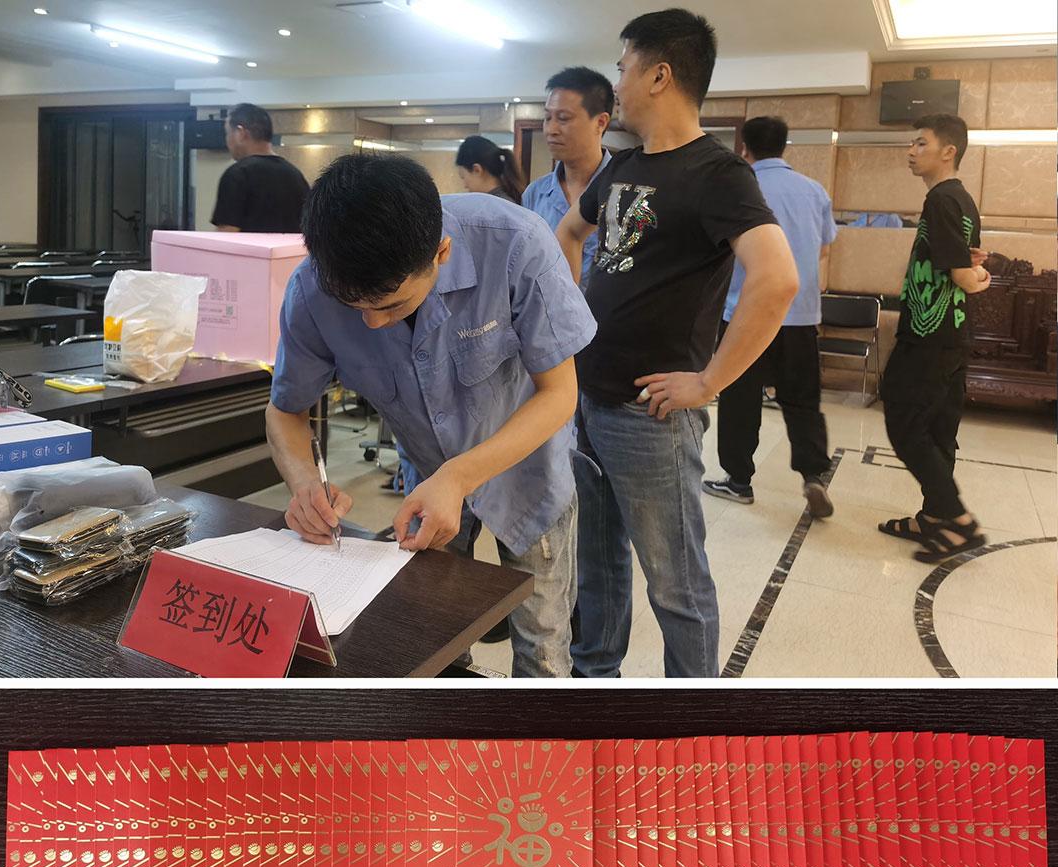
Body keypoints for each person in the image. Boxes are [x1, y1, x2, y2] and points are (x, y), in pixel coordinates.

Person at [266, 154, 596, 677]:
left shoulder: (516, 243)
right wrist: (306, 484)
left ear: (441, 252)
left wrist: (459, 477)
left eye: (392, 306)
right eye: (354, 308)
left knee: (542, 644)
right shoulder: (310, 289)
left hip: (529, 474)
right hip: (425, 480)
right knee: (432, 640)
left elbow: (559, 394)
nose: (373, 324)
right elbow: (286, 411)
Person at [556, 9, 798, 678]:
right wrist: (573, 320)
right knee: (598, 566)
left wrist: (709, 381)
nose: (617, 85)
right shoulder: (622, 167)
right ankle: (594, 680)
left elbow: (777, 279)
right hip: (588, 396)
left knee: (676, 584)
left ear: (659, 75)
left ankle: (692, 711)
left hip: (651, 415)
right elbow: (568, 235)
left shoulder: (718, 173)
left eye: (623, 69)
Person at [703, 115, 836, 518]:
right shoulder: (813, 190)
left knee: (739, 401)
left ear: (744, 147)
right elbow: (824, 248)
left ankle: (738, 480)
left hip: (745, 315)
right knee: (803, 400)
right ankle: (813, 474)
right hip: (800, 316)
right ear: (784, 146)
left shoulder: (739, 187)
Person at [878, 113, 989, 563]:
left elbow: (964, 274)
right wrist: (976, 273)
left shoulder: (941, 200)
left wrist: (977, 276)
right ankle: (933, 517)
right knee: (939, 429)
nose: (911, 150)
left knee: (904, 422)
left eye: (921, 143)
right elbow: (968, 262)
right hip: (952, 335)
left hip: (929, 333)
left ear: (948, 151)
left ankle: (958, 521)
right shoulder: (963, 200)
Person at [522, 66, 614, 289]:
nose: (551, 129)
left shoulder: (624, 189)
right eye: (547, 118)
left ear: (600, 122)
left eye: (563, 119)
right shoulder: (536, 194)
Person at [212, 103, 310, 233]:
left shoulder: (237, 175)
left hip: (246, 248)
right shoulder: (296, 176)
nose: (227, 140)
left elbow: (226, 235)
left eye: (228, 133)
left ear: (240, 133)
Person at [455, 135, 526, 204]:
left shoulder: (490, 206)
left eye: (463, 177)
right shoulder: (507, 201)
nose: (465, 185)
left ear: (477, 170)